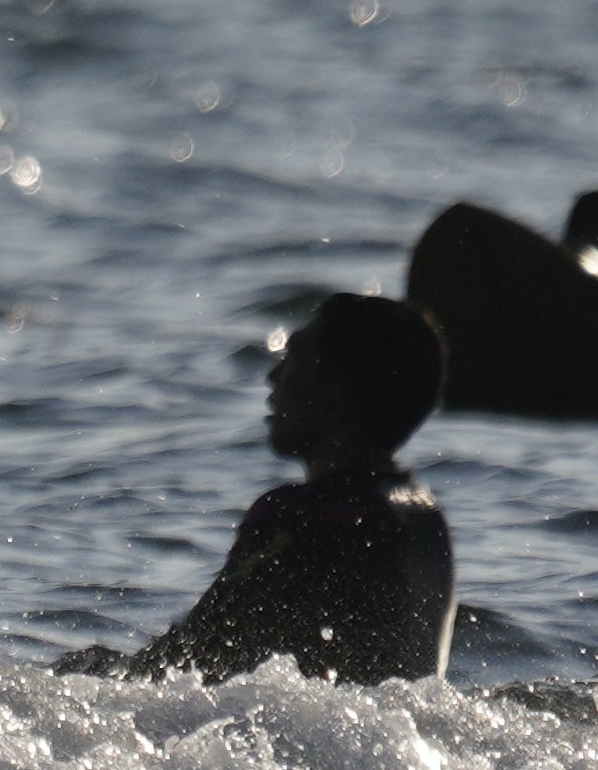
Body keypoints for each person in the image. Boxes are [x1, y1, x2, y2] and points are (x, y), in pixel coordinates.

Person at [87, 293, 454, 688]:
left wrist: (91, 675)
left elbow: (190, 657)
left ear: (334, 397)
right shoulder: (425, 519)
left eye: (293, 359)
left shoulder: (305, 515)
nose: (272, 377)